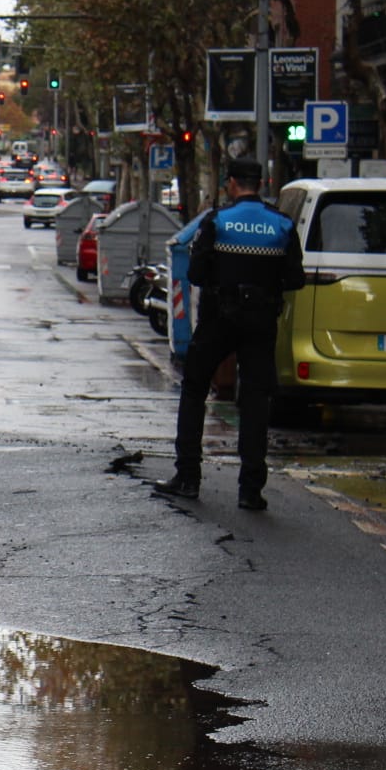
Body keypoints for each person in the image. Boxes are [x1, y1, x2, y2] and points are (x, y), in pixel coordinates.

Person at [156, 157, 306, 512]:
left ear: (232, 183)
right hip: (261, 323)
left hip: (219, 319)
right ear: (260, 183)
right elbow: (296, 279)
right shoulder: (282, 224)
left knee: (194, 389)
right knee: (255, 400)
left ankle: (188, 477)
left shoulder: (217, 220)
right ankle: (251, 489)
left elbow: (194, 272)